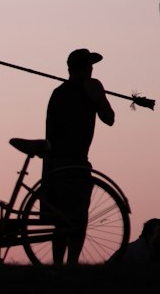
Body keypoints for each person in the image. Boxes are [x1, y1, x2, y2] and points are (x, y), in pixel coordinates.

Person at [43, 47, 115, 266]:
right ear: (87, 68)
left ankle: (58, 264)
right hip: (75, 161)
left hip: (55, 162)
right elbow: (109, 118)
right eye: (90, 65)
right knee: (77, 218)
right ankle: (72, 264)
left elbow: (50, 133)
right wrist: (98, 95)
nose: (92, 69)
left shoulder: (58, 92)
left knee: (60, 219)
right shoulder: (91, 86)